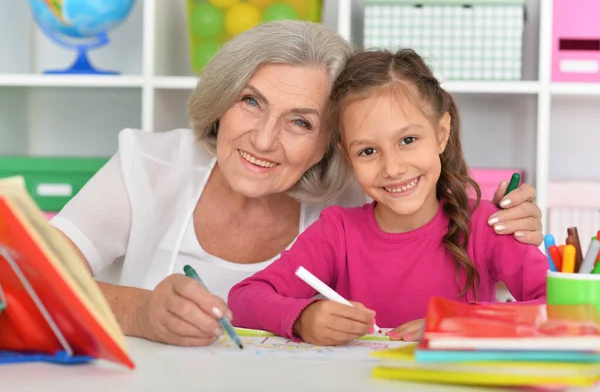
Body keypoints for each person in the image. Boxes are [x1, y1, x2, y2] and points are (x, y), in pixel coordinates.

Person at [50, 21, 544, 348]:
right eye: (250, 101)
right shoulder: (150, 163)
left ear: (331, 147)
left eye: (301, 123)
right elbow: (20, 279)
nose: (264, 140)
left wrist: (517, 218)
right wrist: (140, 311)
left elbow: (422, 183)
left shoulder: (361, 189)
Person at [227, 48, 549, 346]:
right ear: (348, 156)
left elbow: (565, 307)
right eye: (368, 151)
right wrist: (303, 319)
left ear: (441, 133)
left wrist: (460, 323)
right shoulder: (337, 232)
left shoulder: (487, 225)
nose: (393, 168)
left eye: (408, 139)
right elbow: (244, 298)